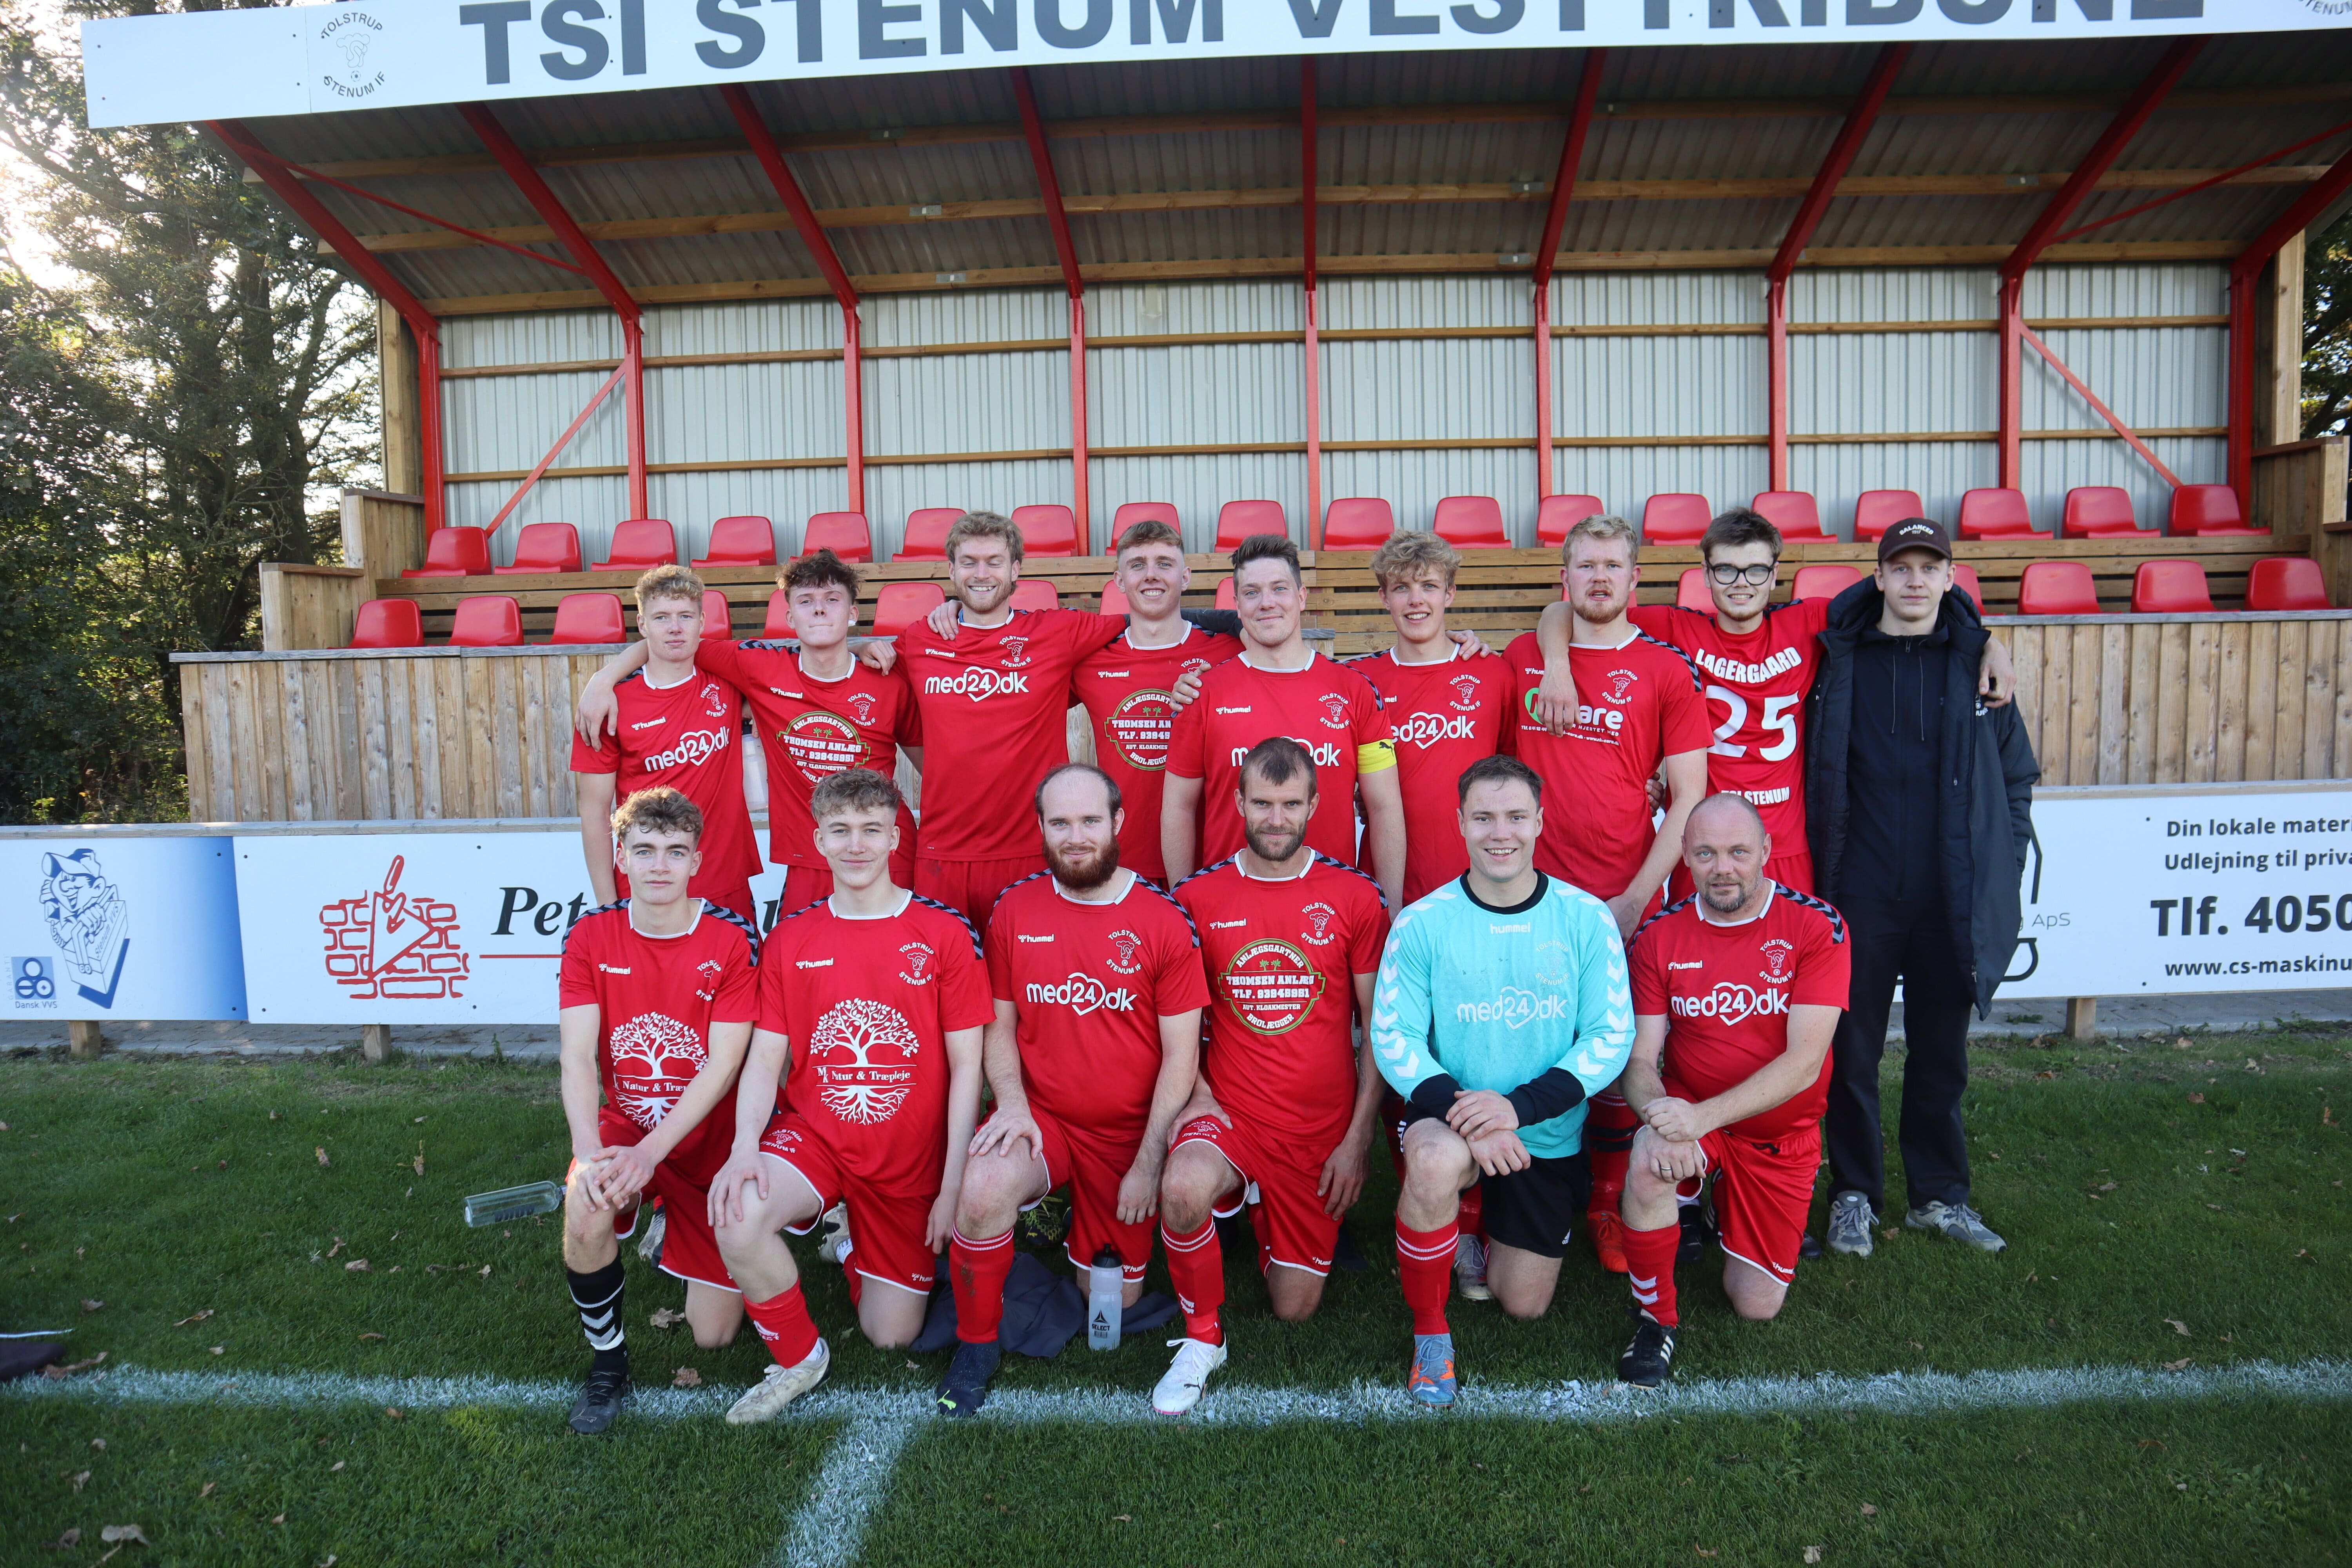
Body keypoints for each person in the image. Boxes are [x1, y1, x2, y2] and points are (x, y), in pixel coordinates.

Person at [1532, 506, 2017, 899]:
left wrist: (1985, 642)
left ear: (1775, 574)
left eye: (1755, 569)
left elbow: (1913, 589)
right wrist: (1557, 663)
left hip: (1785, 847)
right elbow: (1567, 607)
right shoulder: (1675, 628)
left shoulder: (1809, 622)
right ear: (1705, 573)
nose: (1741, 582)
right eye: (1725, 569)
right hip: (1700, 846)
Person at [706, 768, 989, 1423]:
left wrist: (950, 1189)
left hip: (909, 1160)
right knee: (739, 1213)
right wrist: (745, 1147)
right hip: (819, 1140)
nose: (857, 845)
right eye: (841, 832)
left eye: (871, 831)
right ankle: (799, 1357)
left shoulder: (944, 935)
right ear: (819, 841)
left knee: (890, 1336)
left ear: (896, 835)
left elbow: (967, 1070)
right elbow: (764, 1059)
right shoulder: (791, 939)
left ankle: (853, 1240)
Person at [936, 762, 1209, 1416]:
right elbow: (997, 1026)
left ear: (1119, 822)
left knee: (1112, 1302)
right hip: (1047, 1120)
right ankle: (977, 1344)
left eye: (1091, 820)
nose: (1077, 836)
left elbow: (1181, 1057)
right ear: (1041, 828)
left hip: (1126, 1136)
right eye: (1060, 823)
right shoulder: (1015, 907)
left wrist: (1148, 1164)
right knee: (981, 1190)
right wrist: (1014, 1103)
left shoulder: (1162, 919)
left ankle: (1057, 1230)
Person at [1805, 517, 2038, 1259]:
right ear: (1877, 577)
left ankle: (1941, 1195)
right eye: (1899, 566)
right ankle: (1855, 1195)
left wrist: (2006, 857)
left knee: (1942, 1054)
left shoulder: (1978, 667)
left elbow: (2017, 780)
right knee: (1852, 1052)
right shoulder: (1835, 659)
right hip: (1862, 891)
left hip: (1949, 896)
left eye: (1927, 567)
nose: (1913, 580)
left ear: (1950, 577)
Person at [1370, 756, 1632, 1406]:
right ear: (1460, 823)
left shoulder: (1585, 918)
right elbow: (1393, 1041)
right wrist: (1473, 1117)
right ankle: (1432, 1333)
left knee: (1524, 1305)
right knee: (1431, 1162)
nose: (1500, 832)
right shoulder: (1424, 923)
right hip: (1453, 1124)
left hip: (1538, 1136)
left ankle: (1472, 1225)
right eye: (1483, 817)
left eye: (1516, 816)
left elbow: (1610, 1039)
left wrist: (1515, 1110)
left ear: (1541, 821)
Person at [1154, 737, 1388, 1415]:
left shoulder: (1354, 897)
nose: (1276, 818)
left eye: (1291, 804)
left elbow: (1376, 1030)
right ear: (1238, 803)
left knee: (1294, 1309)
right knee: (1182, 1189)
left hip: (1318, 1132)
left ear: (1318, 805)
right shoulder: (1196, 898)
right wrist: (1197, 1092)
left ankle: (1258, 1210)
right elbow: (1175, 1022)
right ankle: (1203, 1340)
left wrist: (1357, 1140)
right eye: (1263, 803)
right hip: (1228, 1113)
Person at [1503, 513, 1711, 1274]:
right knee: (1525, 1042)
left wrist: (1633, 899)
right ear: (1567, 578)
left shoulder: (1663, 668)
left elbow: (1689, 795)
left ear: (1634, 580)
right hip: (1530, 898)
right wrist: (1553, 658)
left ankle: (1609, 1200)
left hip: (1624, 894)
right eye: (1585, 565)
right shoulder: (1526, 655)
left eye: (1612, 566)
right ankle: (1513, 1193)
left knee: (1621, 1051)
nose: (1598, 578)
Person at [1615, 793, 1849, 1388]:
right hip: (1695, 1120)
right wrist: (1661, 1118)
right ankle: (1655, 1322)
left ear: (1766, 853)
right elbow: (1640, 1061)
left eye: (1738, 852)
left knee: (1755, 1305)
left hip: (1780, 1136)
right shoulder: (1659, 938)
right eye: (1706, 853)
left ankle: (1717, 1209)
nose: (1723, 868)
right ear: (1685, 860)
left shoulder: (1817, 925)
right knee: (1647, 1159)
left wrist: (1701, 1117)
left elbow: (1804, 1064)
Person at [554, 786, 762, 1434]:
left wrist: (652, 1154)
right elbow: (577, 1060)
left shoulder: (731, 940)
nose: (660, 866)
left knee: (713, 1337)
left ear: (698, 861)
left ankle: (682, 1221)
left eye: (676, 852)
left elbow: (724, 1064)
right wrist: (590, 1154)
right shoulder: (590, 937)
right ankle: (609, 1360)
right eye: (644, 851)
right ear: (621, 857)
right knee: (585, 1207)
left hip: (707, 1142)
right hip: (628, 1125)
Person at [576, 549, 922, 917]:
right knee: (802, 967)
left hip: (884, 851)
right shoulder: (760, 670)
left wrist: (857, 647)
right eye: (806, 601)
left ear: (853, 613)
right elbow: (672, 643)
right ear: (789, 616)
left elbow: (931, 768)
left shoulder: (889, 680)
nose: (820, 610)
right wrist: (604, 678)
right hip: (808, 855)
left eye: (832, 600)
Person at [895, 510, 1137, 929]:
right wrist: (863, 650)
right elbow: (876, 695)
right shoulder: (919, 640)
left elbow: (1152, 627)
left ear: (1016, 569)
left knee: (1031, 986)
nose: (981, 573)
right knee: (949, 987)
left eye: (994, 561)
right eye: (969, 562)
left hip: (1033, 850)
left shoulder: (1057, 632)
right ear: (952, 570)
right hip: (944, 855)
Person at [1162, 533, 1407, 911]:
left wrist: (1387, 912)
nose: (1268, 603)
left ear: (1302, 597)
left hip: (1331, 910)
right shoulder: (1202, 694)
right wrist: (1185, 906)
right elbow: (1178, 808)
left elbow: (1385, 807)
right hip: (1230, 911)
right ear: (1237, 606)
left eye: (1280, 588)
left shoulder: (1356, 691)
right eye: (1252, 592)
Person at [570, 566, 764, 924]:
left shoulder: (728, 684)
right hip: (647, 888)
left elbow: (803, 670)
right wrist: (606, 907)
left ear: (702, 622)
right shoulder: (608, 705)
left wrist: (857, 645)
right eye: (661, 618)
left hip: (726, 882)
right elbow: (594, 813)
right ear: (642, 625)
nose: (675, 628)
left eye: (685, 616)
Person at [1070, 518, 1245, 885]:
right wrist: (959, 609)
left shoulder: (1231, 653)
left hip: (1216, 860)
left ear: (1186, 577)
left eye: (1165, 564)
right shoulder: (1091, 662)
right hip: (1121, 864)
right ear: (1119, 581)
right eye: (1137, 565)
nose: (1151, 575)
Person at [1350, 531, 1513, 907]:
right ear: (1384, 598)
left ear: (1449, 594)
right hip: (1390, 883)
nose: (1416, 600)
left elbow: (1516, 767)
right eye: (1402, 588)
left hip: (1478, 882)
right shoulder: (1360, 682)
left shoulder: (1494, 674)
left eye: (1429, 586)